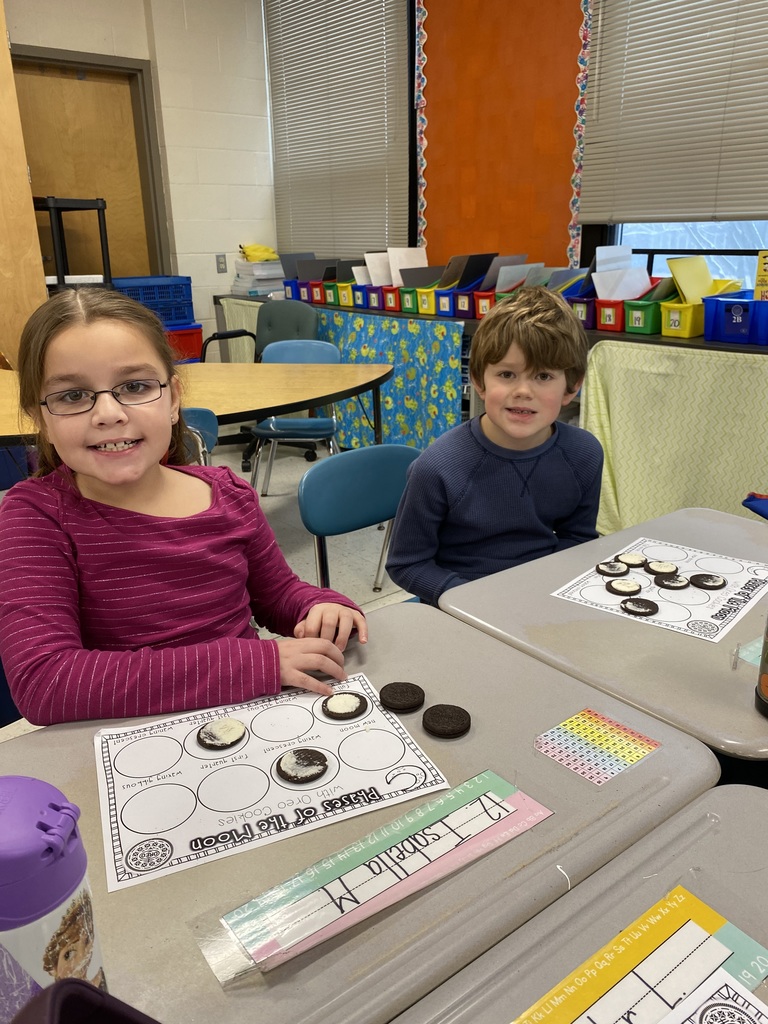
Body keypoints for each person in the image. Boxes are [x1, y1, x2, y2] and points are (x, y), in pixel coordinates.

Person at [0, 288, 367, 726]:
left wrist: (321, 608)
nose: (107, 413)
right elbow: (45, 682)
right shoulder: (36, 515)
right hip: (132, 735)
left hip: (253, 714)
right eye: (72, 396)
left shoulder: (228, 493)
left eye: (134, 386)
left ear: (173, 399)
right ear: (41, 417)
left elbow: (280, 596)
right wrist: (253, 665)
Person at [386, 285, 603, 605]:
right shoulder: (438, 467)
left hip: (541, 595)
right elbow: (406, 564)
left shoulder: (583, 454)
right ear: (478, 380)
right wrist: (474, 598)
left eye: (543, 376)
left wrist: (544, 590)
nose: (523, 391)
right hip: (461, 601)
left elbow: (577, 539)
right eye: (507, 374)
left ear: (571, 388)